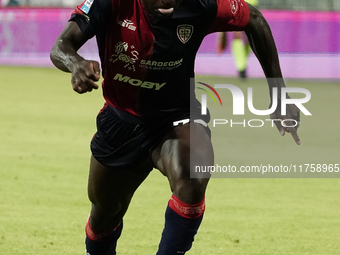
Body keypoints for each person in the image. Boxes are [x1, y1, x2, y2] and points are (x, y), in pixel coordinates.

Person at [50, 0, 300, 254]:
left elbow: (254, 19)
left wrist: (278, 93)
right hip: (120, 122)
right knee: (104, 216)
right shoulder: (111, 3)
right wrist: (75, 64)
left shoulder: (202, 4)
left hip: (176, 116)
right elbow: (61, 46)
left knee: (192, 176)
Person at [216, 0, 259, 78]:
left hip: (252, 4)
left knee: (249, 37)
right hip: (236, 4)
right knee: (237, 35)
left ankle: (242, 64)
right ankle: (241, 68)